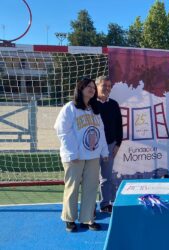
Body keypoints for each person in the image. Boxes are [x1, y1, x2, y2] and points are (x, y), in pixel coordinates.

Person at [54, 78, 108, 232]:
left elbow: (101, 131)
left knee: (91, 187)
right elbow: (62, 130)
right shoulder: (69, 108)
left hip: (93, 156)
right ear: (80, 89)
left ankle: (87, 218)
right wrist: (72, 152)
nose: (92, 89)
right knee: (72, 187)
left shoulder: (94, 110)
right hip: (75, 156)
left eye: (93, 87)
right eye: (88, 87)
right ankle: (69, 219)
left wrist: (104, 151)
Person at [95, 76, 123, 214]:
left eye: (109, 86)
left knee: (106, 177)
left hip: (111, 146)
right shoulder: (91, 105)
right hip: (93, 149)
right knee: (90, 178)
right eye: (104, 86)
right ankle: (89, 207)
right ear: (97, 87)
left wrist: (118, 143)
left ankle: (105, 204)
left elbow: (119, 126)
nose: (107, 88)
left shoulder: (114, 104)